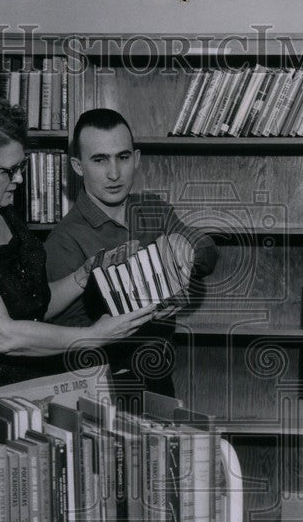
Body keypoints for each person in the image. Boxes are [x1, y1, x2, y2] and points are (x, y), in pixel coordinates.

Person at [0, 95, 156, 424]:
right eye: (9, 170)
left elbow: (34, 304)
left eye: (21, 167)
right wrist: (96, 335)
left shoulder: (5, 215)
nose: (20, 179)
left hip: (21, 394)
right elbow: (3, 334)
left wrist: (85, 273)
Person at [44, 108, 218, 397]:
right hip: (98, 388)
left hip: (158, 380)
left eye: (122, 158)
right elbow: (62, 337)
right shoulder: (64, 238)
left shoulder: (154, 209)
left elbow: (209, 255)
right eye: (99, 160)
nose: (114, 174)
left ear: (136, 159)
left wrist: (189, 246)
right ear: (77, 166)